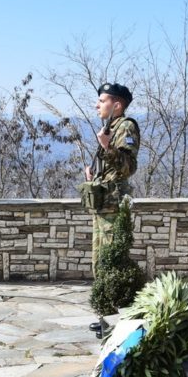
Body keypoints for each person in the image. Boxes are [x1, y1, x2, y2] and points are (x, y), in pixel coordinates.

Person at [83, 82, 140, 332]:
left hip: (114, 205)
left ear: (117, 104)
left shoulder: (126, 126)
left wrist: (107, 147)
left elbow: (128, 166)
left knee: (111, 260)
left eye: (102, 101)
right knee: (99, 260)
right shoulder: (109, 128)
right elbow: (110, 169)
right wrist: (92, 177)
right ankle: (106, 315)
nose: (97, 105)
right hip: (103, 204)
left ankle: (116, 318)